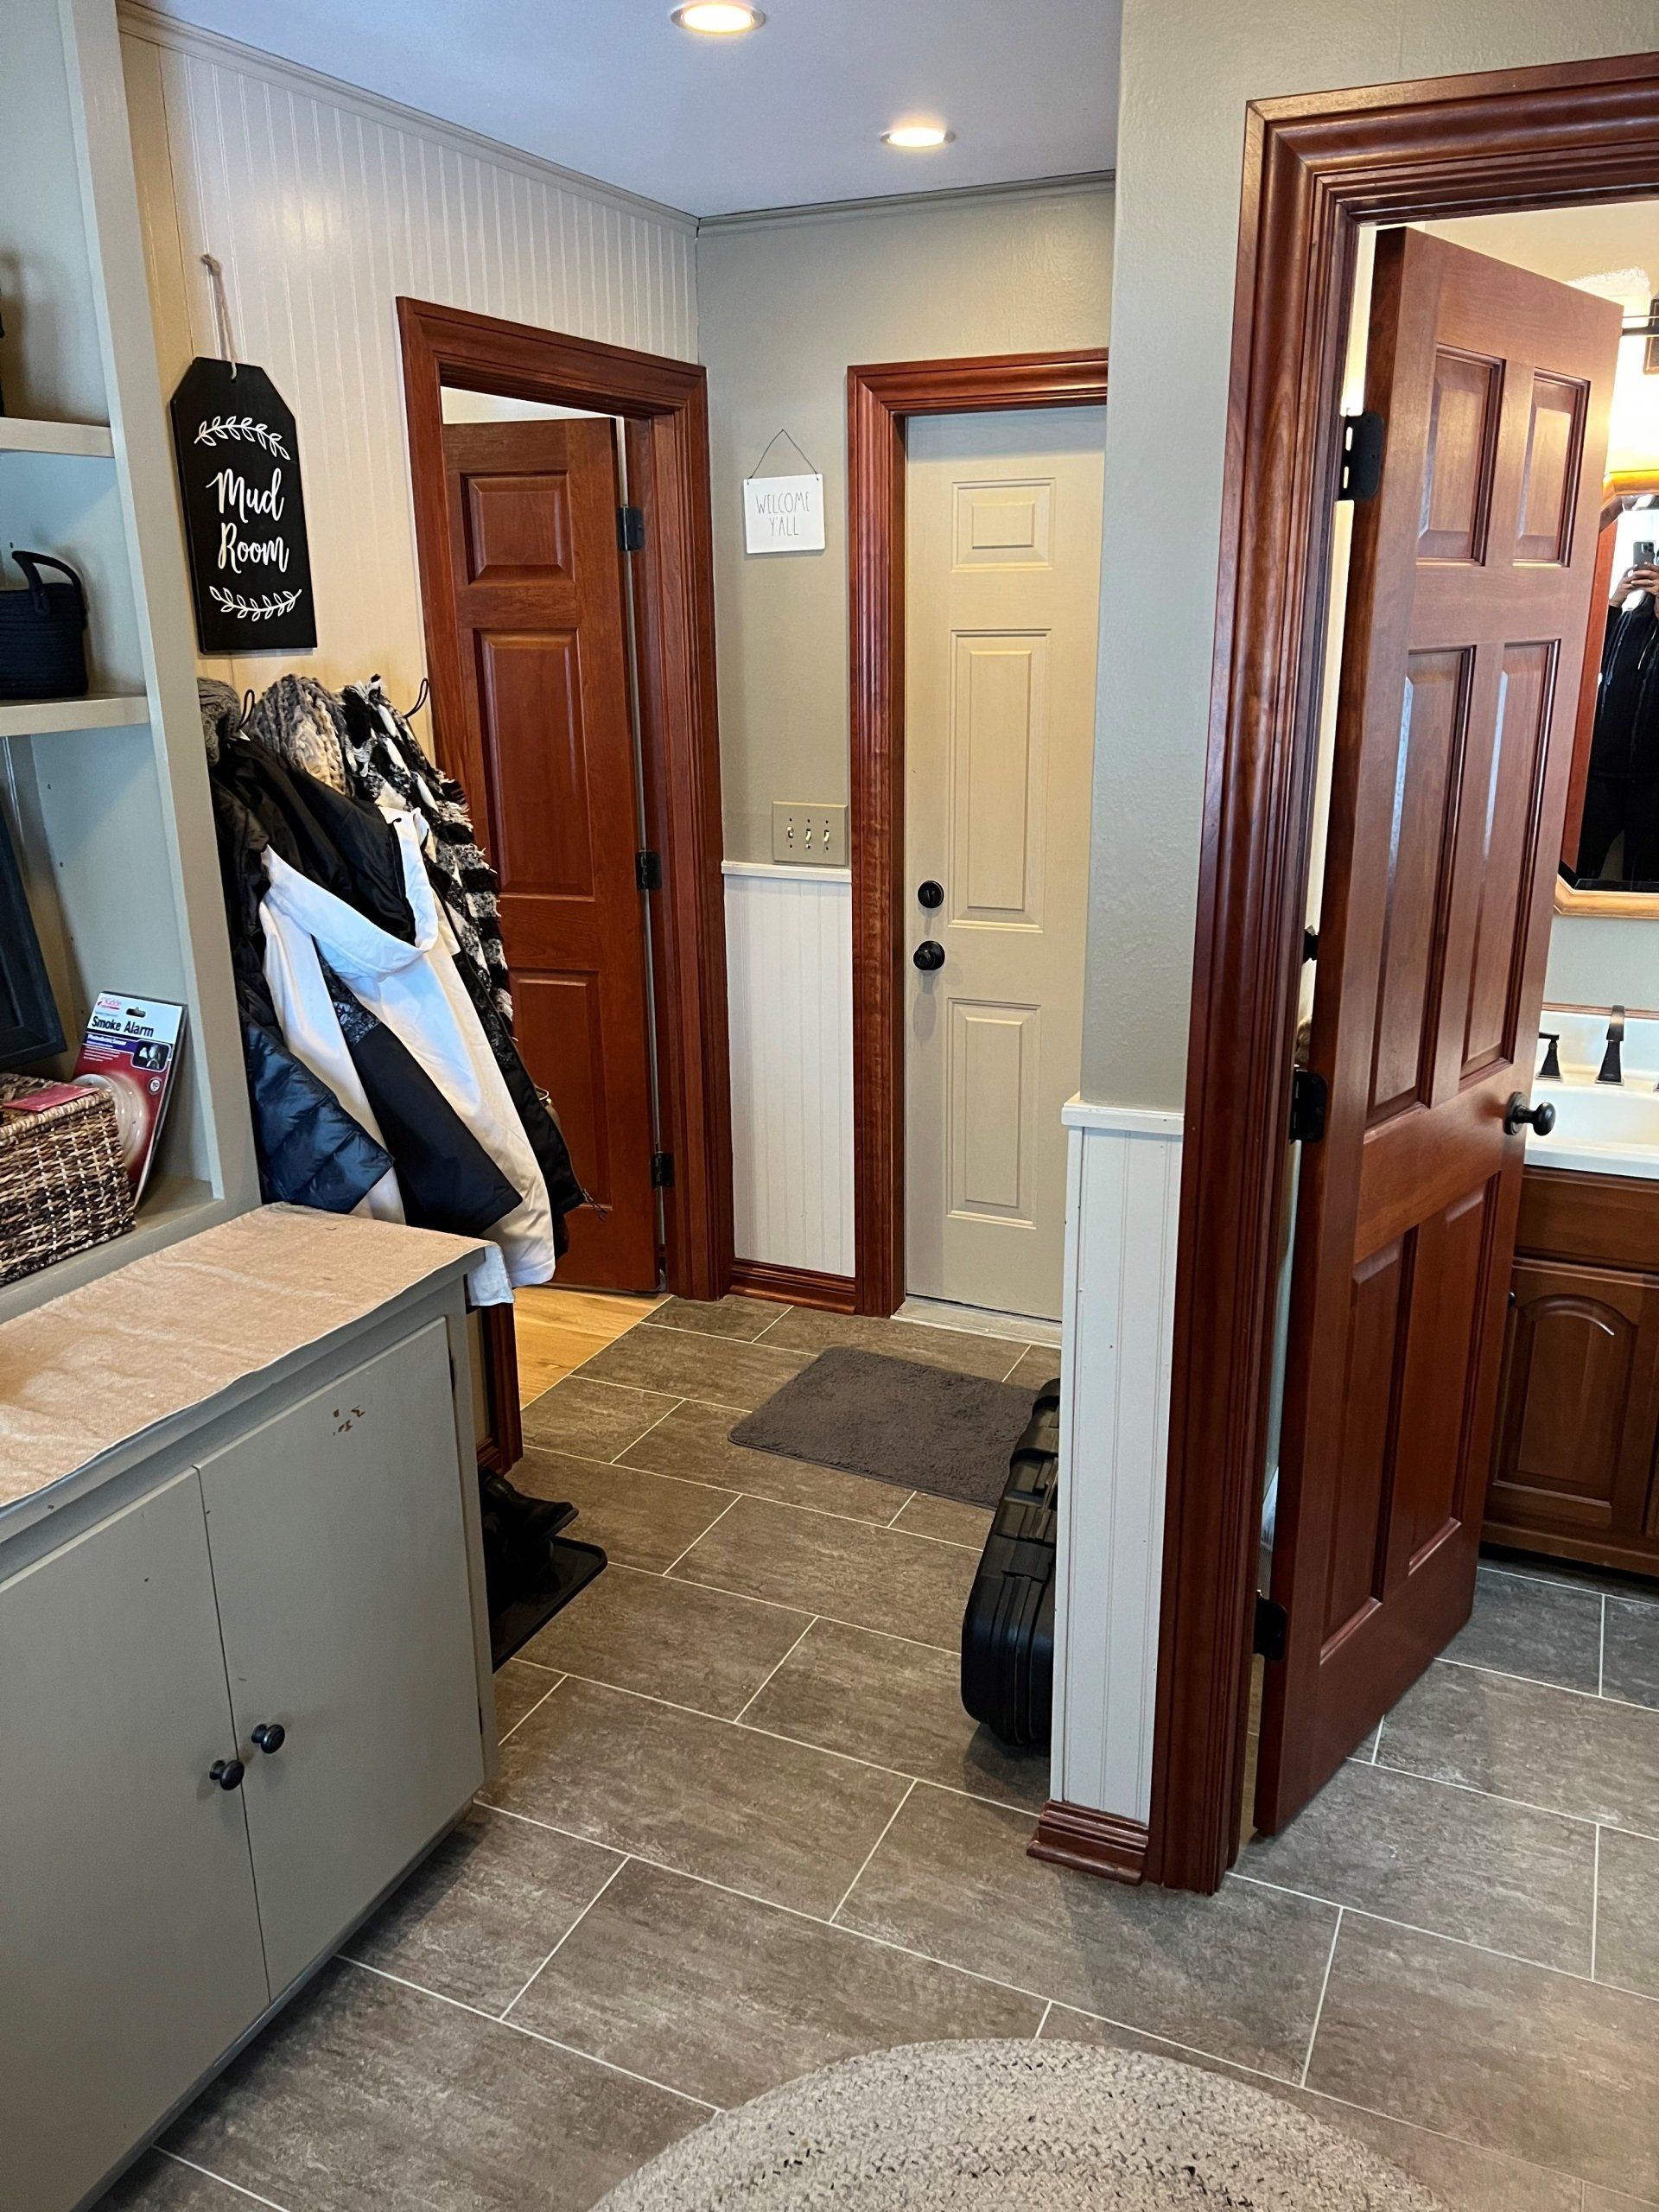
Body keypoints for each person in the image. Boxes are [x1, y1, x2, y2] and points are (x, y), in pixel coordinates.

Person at [1578, 556, 1659, 885]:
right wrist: (1613, 600)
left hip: (1654, 780)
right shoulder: (1626, 622)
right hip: (1603, 772)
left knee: (1644, 878)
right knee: (1578, 868)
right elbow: (1584, 655)